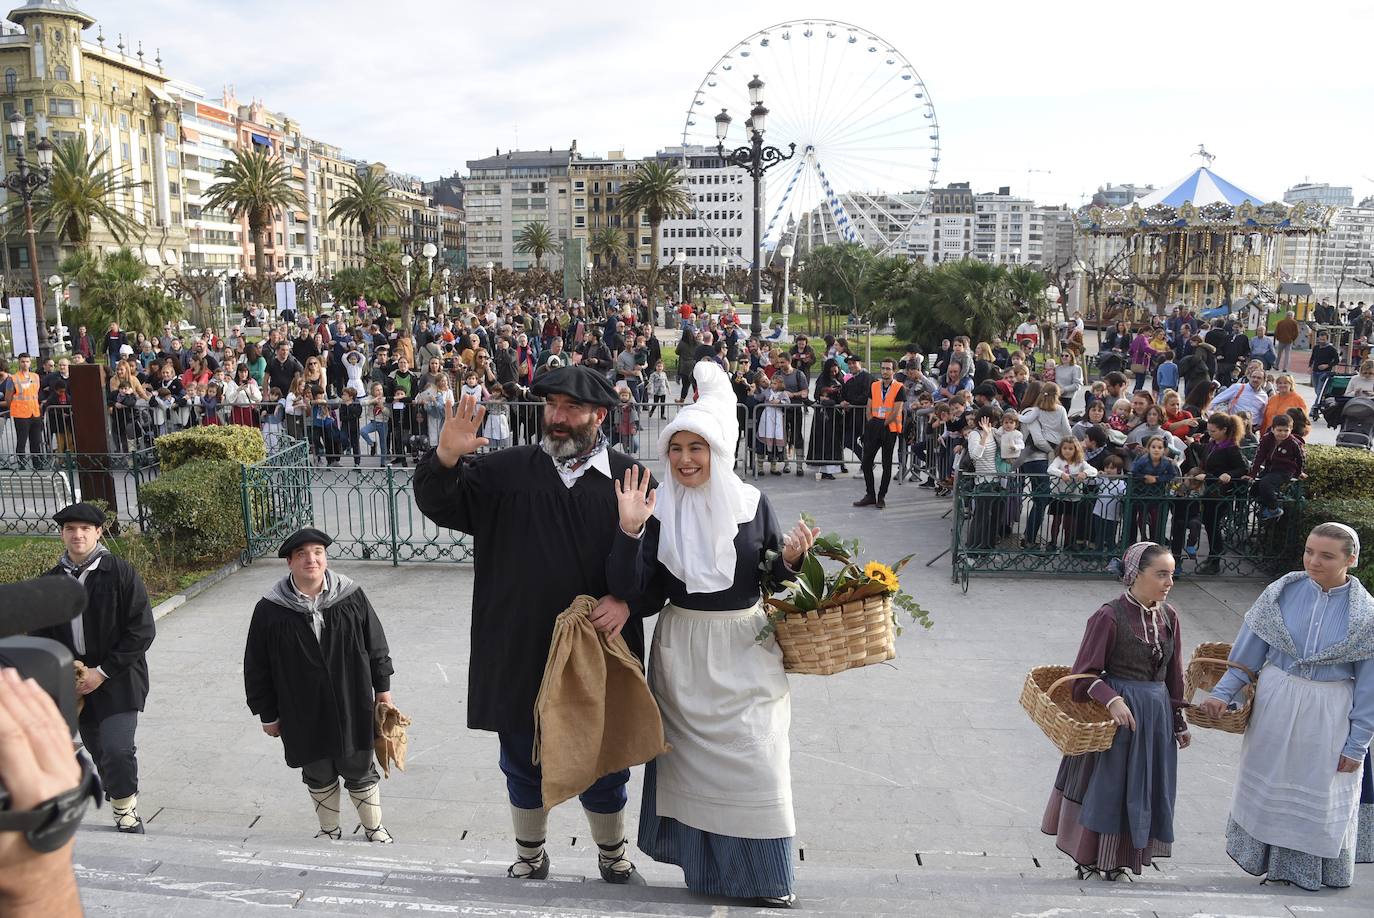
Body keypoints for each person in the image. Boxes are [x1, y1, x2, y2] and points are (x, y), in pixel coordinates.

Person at [413, 365, 664, 884]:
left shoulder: (631, 480)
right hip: (519, 643)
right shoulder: (503, 472)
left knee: (605, 756)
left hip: (599, 649)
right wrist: (446, 457)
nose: (558, 418)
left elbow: (658, 573)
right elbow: (439, 503)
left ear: (598, 415)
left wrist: (627, 602)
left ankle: (612, 854)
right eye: (552, 406)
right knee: (522, 756)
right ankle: (530, 855)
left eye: (572, 409)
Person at [607, 361, 816, 908]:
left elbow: (767, 577)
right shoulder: (656, 512)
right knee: (692, 769)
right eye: (676, 449)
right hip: (684, 654)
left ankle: (770, 882)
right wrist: (629, 532)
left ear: (717, 451)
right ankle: (708, 876)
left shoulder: (752, 504)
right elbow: (643, 595)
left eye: (696, 448)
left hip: (747, 649)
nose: (685, 460)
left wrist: (790, 560)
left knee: (759, 761)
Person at [1198, 523, 1374, 890]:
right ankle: (1268, 863)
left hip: (1328, 711)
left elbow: (1370, 689)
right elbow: (1246, 657)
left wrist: (1357, 745)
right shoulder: (1279, 593)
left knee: (1319, 790)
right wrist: (1221, 695)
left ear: (1351, 560)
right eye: (1309, 551)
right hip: (1276, 702)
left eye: (1326, 555)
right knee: (1271, 782)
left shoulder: (1366, 615)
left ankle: (1309, 871)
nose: (1314, 561)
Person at [1041, 542, 1188, 880]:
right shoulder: (1108, 615)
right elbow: (1081, 677)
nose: (1169, 583)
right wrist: (1112, 699)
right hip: (1117, 722)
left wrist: (1178, 720)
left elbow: (1174, 673)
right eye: (1161, 574)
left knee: (1144, 791)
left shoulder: (1169, 616)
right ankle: (1092, 859)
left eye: (1172, 574)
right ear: (1136, 575)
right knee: (1110, 789)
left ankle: (1120, 861)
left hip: (1154, 721)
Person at [244, 528, 397, 843]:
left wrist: (383, 689)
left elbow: (376, 645)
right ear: (289, 562)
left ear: (325, 558)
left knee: (359, 766)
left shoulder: (351, 596)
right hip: (301, 708)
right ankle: (329, 830)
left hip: (351, 700)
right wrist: (268, 714)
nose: (311, 560)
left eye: (317, 552)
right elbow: (257, 667)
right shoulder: (270, 610)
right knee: (317, 771)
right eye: (302, 554)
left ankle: (374, 828)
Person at [30, 502, 155, 834]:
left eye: (85, 529)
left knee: (117, 748)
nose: (78, 535)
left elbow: (142, 630)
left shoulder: (120, 573)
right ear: (62, 534)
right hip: (74, 684)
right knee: (100, 750)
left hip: (118, 678)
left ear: (98, 532)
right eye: (71, 529)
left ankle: (126, 813)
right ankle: (117, 789)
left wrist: (102, 671)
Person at [854, 358, 906, 510]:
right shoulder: (874, 385)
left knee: (886, 464)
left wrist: (880, 424)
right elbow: (868, 407)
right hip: (874, 427)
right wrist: (872, 423)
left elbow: (896, 412)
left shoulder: (899, 388)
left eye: (888, 369)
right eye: (883, 368)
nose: (885, 371)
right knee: (866, 461)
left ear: (894, 371)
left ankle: (881, 496)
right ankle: (870, 494)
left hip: (889, 429)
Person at [1248, 413, 1304, 521]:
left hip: (1285, 470)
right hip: (1270, 469)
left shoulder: (1293, 443)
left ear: (1291, 430)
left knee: (1266, 484)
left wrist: (1298, 472)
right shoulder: (1266, 439)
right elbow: (1259, 456)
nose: (1282, 433)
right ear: (1273, 429)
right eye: (1279, 430)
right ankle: (1271, 501)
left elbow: (1301, 458)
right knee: (1254, 490)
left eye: (1286, 430)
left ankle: (1274, 508)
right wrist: (1253, 474)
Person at [5, 353, 43, 465]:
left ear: (30, 362)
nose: (25, 364)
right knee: (22, 441)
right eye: (22, 361)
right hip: (21, 414)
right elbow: (8, 397)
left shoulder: (35, 376)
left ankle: (38, 463)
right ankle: (22, 464)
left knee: (36, 441)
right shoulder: (13, 378)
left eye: (27, 361)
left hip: (35, 412)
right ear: (19, 362)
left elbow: (35, 393)